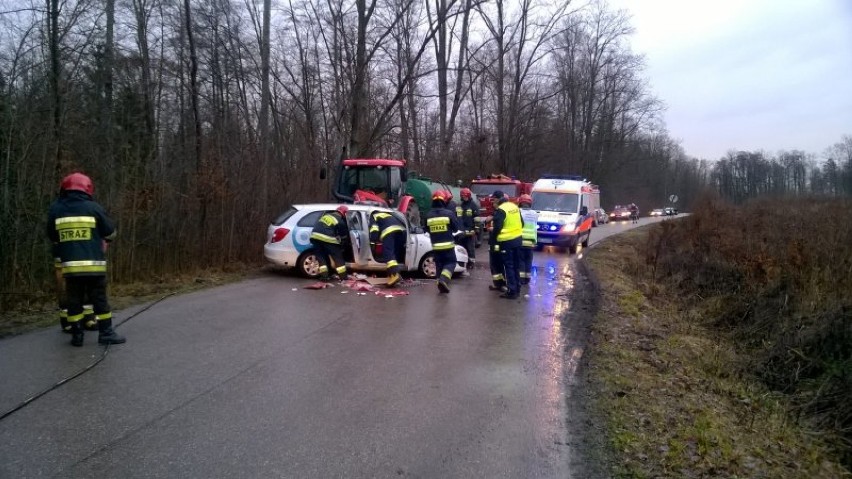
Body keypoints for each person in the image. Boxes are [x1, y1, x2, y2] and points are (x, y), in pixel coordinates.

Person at [46, 172, 125, 347]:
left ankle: (77, 336)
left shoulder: (56, 209)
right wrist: (105, 239)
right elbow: (110, 231)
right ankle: (106, 333)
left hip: (70, 269)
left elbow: (52, 235)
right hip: (94, 268)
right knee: (99, 300)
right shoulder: (93, 207)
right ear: (87, 189)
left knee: (73, 301)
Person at [425, 190, 460, 294]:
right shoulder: (449, 213)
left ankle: (440, 284)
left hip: (435, 247)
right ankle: (443, 280)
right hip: (448, 246)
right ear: (443, 201)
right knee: (451, 263)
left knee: (439, 265)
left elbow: (426, 229)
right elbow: (455, 228)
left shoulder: (428, 215)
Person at [490, 190, 523, 299]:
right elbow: (522, 223)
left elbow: (497, 228)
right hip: (518, 240)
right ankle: (517, 288)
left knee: (509, 266)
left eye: (494, 199)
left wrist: (494, 238)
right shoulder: (514, 206)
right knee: (516, 265)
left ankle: (512, 291)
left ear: (499, 200)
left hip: (507, 242)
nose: (493, 201)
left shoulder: (501, 210)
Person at [310, 205, 351, 281]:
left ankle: (324, 277)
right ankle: (343, 277)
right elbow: (343, 235)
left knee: (321, 257)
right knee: (338, 257)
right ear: (344, 213)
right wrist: (343, 243)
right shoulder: (339, 220)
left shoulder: (326, 215)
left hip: (315, 237)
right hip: (327, 238)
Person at [368, 209, 407, 287]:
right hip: (402, 231)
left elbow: (374, 229)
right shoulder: (386, 214)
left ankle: (395, 274)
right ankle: (392, 275)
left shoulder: (373, 216)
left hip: (388, 231)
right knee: (394, 253)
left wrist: (373, 240)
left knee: (388, 253)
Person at [455, 188, 479, 268]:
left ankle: (471, 262)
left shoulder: (473, 205)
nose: (462, 197)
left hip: (470, 229)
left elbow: (477, 218)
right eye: (461, 196)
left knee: (470, 247)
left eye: (464, 196)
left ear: (468, 196)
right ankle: (462, 261)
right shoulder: (461, 205)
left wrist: (476, 229)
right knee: (462, 246)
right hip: (462, 229)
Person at [518, 194, 538, 285]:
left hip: (520, 240)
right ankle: (527, 278)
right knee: (528, 260)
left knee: (520, 260)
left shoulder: (518, 212)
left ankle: (521, 279)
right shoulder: (534, 214)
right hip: (530, 242)